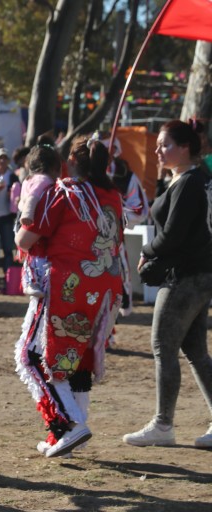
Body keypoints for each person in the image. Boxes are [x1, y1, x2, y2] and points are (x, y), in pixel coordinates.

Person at [14, 136, 123, 458]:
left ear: (72, 161)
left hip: (65, 286)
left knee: (33, 356)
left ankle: (70, 425)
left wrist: (21, 222)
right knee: (79, 361)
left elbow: (26, 239)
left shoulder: (66, 193)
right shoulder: (112, 195)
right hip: (102, 288)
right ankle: (68, 435)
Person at [123, 119, 212, 449]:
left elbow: (173, 234)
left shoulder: (190, 181)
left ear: (185, 147)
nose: (158, 150)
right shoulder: (186, 178)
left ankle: (163, 425)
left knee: (163, 345)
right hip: (196, 274)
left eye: (165, 145)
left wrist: (146, 252)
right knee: (195, 351)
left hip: (186, 276)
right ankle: (165, 424)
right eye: (159, 145)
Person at [16, 145, 62, 297]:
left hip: (23, 219)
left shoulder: (29, 179)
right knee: (34, 256)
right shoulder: (44, 180)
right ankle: (29, 282)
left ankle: (29, 282)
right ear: (54, 167)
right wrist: (27, 214)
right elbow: (32, 198)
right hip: (28, 220)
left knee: (31, 257)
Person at [0, 147, 20, 278]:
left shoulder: (13, 176)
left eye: (5, 158)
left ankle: (8, 277)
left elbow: (18, 195)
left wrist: (13, 197)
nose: (2, 161)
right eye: (0, 158)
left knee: (8, 249)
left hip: (7, 216)